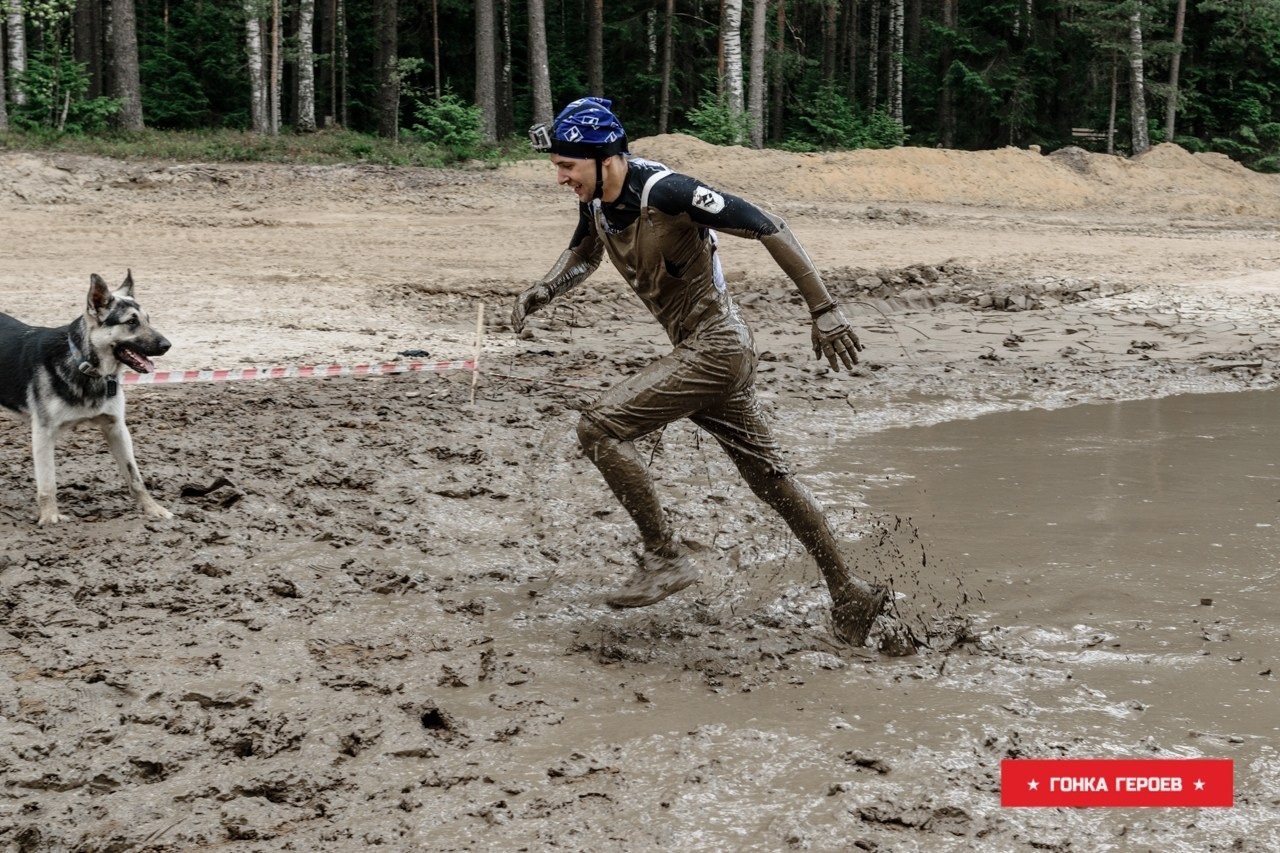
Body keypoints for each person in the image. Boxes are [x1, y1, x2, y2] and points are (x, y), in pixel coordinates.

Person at [513, 97, 898, 648]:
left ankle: (664, 557)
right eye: (557, 166)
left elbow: (769, 225)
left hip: (716, 349)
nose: (560, 178)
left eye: (567, 166)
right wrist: (544, 289)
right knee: (771, 481)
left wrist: (824, 308)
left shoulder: (668, 191)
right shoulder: (599, 201)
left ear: (605, 158)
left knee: (598, 428)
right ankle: (850, 591)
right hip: (707, 354)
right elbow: (584, 255)